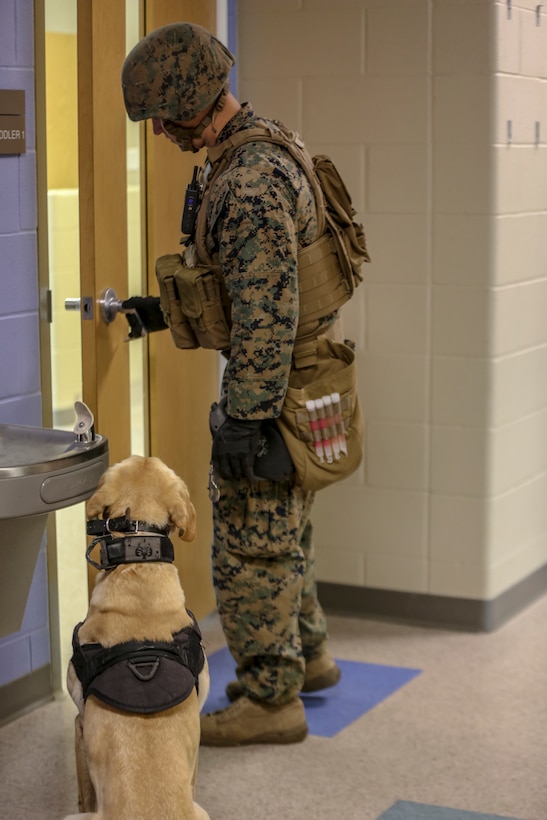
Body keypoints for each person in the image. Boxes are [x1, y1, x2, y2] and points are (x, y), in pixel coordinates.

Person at [121, 22, 343, 747]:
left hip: (273, 388)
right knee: (287, 529)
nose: (157, 130)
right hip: (307, 378)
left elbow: (267, 312)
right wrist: (164, 310)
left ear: (191, 100)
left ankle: (269, 699)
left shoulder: (246, 180)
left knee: (249, 546)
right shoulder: (263, 145)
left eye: (159, 114)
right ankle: (307, 657)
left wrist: (244, 423)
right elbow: (249, 285)